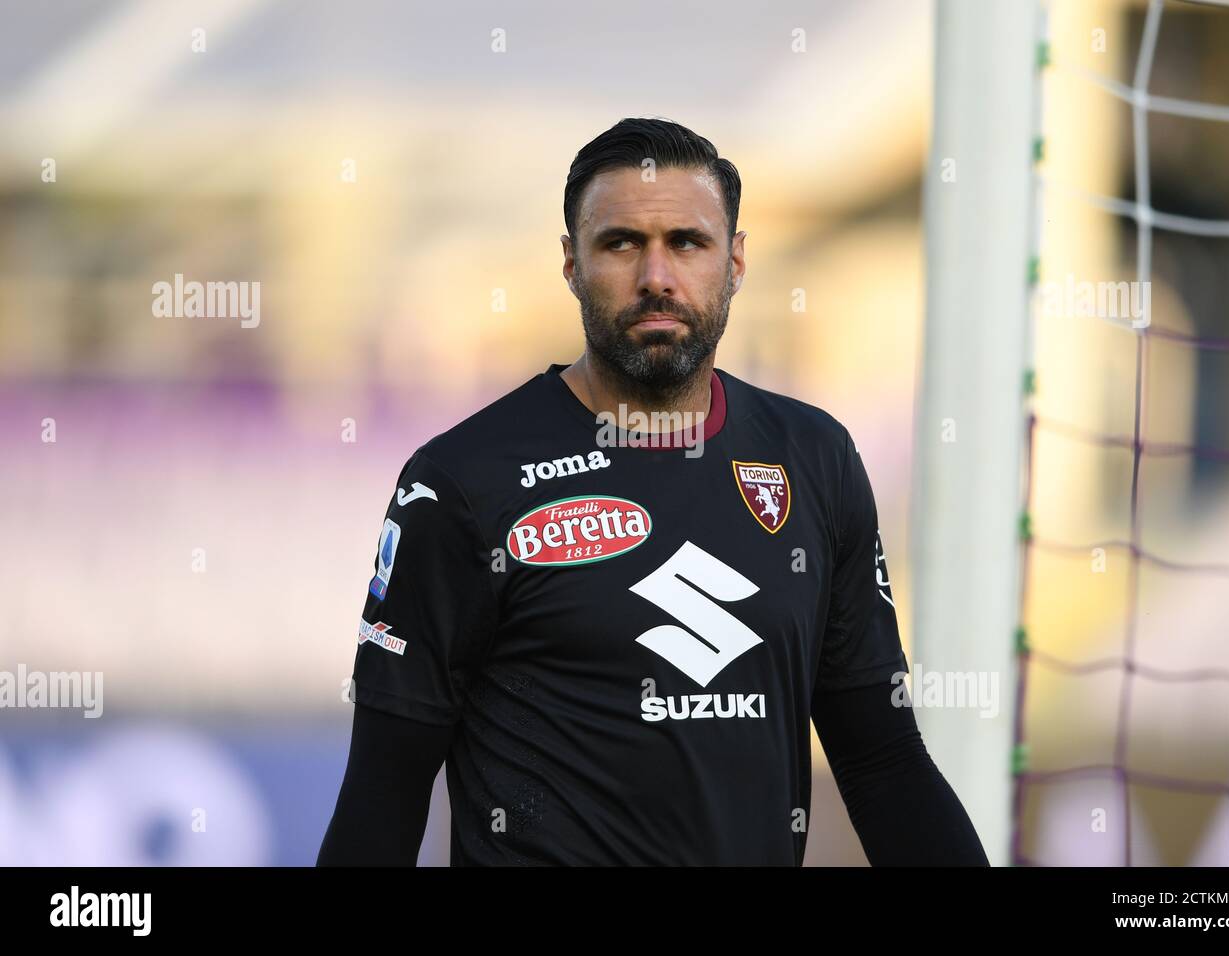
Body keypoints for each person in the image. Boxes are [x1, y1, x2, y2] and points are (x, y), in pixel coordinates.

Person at [317, 117, 988, 866]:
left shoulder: (815, 459)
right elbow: (385, 789)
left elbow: (884, 762)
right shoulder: (461, 484)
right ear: (571, 264)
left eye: (687, 243)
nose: (656, 277)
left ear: (735, 261)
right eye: (621, 243)